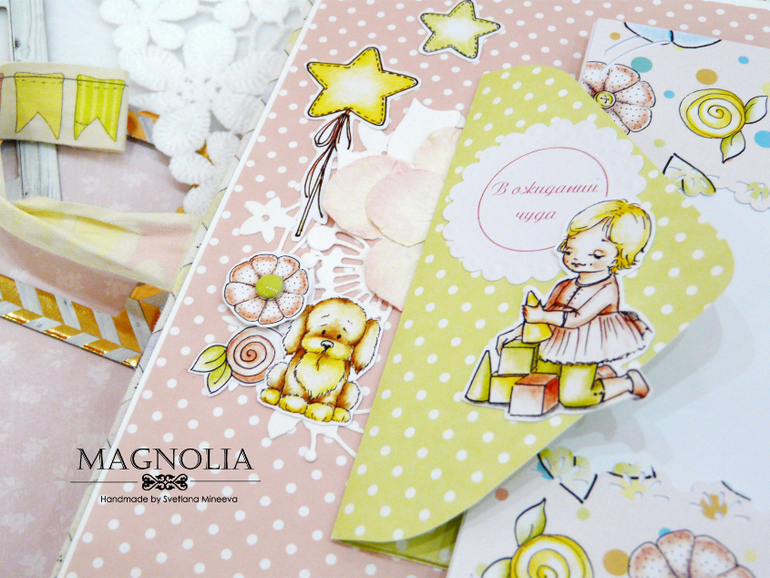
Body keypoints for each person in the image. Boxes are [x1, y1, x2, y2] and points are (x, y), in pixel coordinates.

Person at [496, 200, 653, 408]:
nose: (578, 259)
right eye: (570, 250)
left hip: (587, 346)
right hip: (555, 344)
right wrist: (514, 333)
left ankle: (628, 382)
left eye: (596, 254)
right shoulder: (564, 285)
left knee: (573, 398)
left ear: (621, 256)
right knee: (542, 380)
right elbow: (540, 318)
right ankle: (600, 374)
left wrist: (542, 316)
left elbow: (577, 319)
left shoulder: (608, 288)